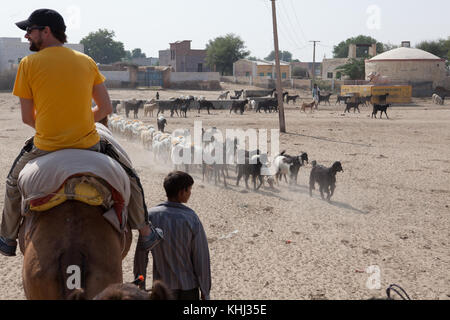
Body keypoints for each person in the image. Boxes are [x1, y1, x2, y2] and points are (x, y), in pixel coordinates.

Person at [0, 9, 161, 256]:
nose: (26, 37)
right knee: (130, 176)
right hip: (89, 144)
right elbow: (106, 108)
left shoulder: (28, 64)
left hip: (46, 145)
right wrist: (81, 124)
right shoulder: (86, 62)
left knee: (12, 183)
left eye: (30, 31)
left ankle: (8, 239)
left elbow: (25, 117)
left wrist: (51, 129)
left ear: (46, 31)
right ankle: (146, 232)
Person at [133, 171, 211, 300]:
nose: (190, 193)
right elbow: (200, 258)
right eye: (189, 190)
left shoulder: (150, 216)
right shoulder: (191, 218)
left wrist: (140, 284)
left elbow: (141, 255)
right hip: (188, 288)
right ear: (182, 192)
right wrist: (205, 290)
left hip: (162, 289)